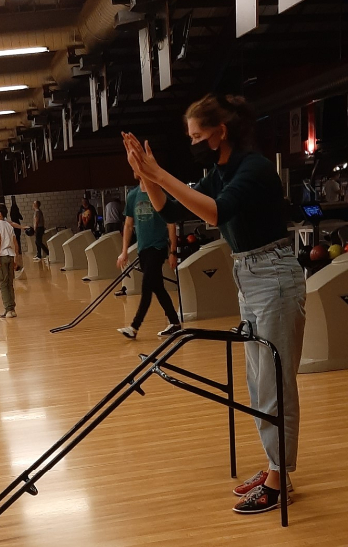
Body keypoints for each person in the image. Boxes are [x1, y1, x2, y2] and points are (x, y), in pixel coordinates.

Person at [122, 93, 306, 516]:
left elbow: (215, 214)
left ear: (220, 132)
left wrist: (158, 173)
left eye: (197, 136)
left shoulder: (253, 168)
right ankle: (276, 466)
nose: (193, 143)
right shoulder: (222, 172)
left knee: (275, 383)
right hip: (250, 276)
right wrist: (147, 177)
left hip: (274, 277)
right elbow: (171, 211)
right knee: (259, 383)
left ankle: (279, 480)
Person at [116, 174, 179, 339]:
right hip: (143, 249)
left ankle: (134, 327)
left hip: (157, 247)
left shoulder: (160, 193)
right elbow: (128, 225)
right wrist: (124, 251)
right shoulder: (133, 195)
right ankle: (175, 323)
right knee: (158, 287)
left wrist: (173, 252)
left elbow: (171, 224)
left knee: (146, 287)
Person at [0, 203, 19, 319]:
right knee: (10, 283)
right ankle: (13, 309)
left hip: (2, 256)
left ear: (0, 213)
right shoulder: (9, 225)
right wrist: (16, 258)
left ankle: (8, 310)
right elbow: (15, 243)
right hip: (11, 255)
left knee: (3, 283)